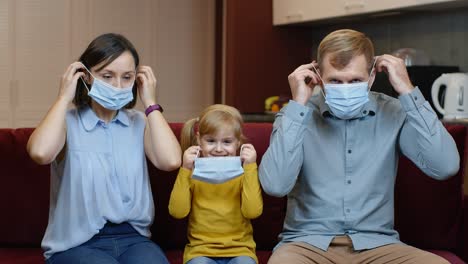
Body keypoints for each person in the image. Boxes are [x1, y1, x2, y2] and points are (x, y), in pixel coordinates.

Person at [259, 29, 459, 264]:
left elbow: (445, 166)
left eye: (355, 81)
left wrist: (407, 89)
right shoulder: (295, 114)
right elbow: (275, 185)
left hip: (378, 245)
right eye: (335, 80)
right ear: (318, 76)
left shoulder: (394, 111)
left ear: (372, 76)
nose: (345, 88)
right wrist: (297, 105)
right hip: (306, 245)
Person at [27, 33, 181, 264]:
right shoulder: (67, 122)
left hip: (134, 239)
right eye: (107, 76)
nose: (117, 86)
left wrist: (150, 102)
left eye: (127, 77)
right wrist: (63, 97)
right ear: (86, 77)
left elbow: (170, 161)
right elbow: (40, 153)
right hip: (76, 243)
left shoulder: (140, 122)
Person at [168, 104, 263, 264]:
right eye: (211, 141)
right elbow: (177, 212)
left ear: (238, 143)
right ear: (199, 140)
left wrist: (250, 167)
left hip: (240, 250)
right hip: (200, 251)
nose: (219, 149)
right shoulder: (192, 172)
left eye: (227, 142)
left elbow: (252, 212)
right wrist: (185, 169)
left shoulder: (244, 172)